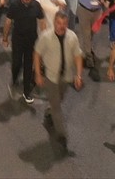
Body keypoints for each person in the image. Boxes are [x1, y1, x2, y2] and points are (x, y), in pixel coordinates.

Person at [33, 10, 84, 151]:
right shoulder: (46, 37)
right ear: (54, 22)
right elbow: (37, 54)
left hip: (66, 77)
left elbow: (78, 56)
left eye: (64, 23)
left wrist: (78, 75)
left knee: (59, 99)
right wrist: (38, 74)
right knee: (57, 107)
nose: (61, 26)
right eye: (58, 23)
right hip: (51, 77)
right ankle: (62, 135)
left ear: (67, 24)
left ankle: (49, 112)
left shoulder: (72, 37)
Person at [1, 0, 42, 104]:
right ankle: (14, 78)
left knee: (28, 65)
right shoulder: (14, 5)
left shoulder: (36, 5)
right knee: (17, 63)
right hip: (18, 39)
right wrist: (5, 38)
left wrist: (43, 40)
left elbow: (42, 21)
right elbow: (8, 22)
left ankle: (26, 91)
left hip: (31, 40)